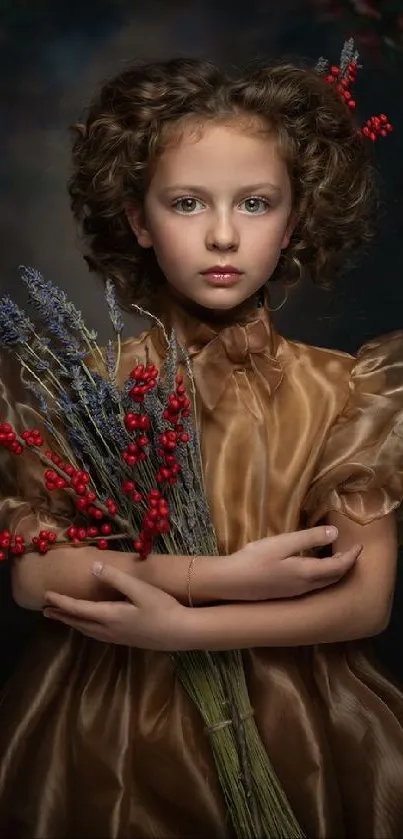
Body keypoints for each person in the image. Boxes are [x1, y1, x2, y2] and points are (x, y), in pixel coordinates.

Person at [1, 54, 403, 839]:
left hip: (303, 720)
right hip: (109, 719)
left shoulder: (349, 391)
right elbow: (32, 576)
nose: (223, 233)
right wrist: (220, 577)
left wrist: (181, 627)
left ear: (293, 220)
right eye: (187, 202)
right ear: (139, 220)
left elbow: (365, 602)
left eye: (255, 203)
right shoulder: (82, 389)